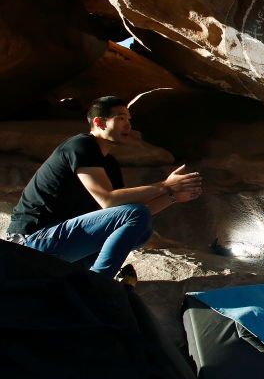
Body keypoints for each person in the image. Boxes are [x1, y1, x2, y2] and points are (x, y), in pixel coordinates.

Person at [4, 96, 202, 278]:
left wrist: (173, 196)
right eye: (121, 118)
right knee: (135, 214)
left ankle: (84, 278)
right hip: (30, 243)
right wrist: (165, 186)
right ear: (99, 122)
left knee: (142, 229)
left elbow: (130, 214)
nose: (128, 125)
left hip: (61, 247)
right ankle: (99, 282)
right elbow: (108, 200)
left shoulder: (109, 164)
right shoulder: (81, 145)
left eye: (129, 119)